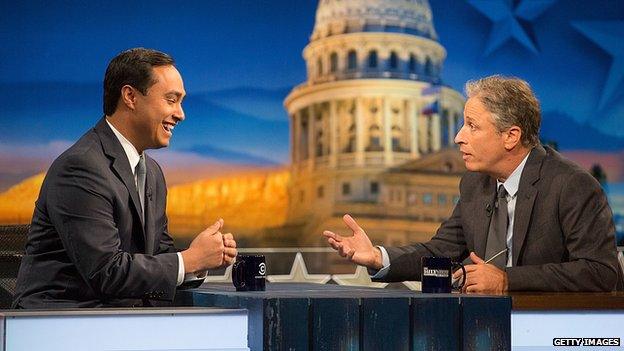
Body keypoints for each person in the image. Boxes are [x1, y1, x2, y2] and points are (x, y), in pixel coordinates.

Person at [323, 75, 621, 293]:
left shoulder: (571, 186)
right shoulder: (474, 184)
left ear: (511, 136)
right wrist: (377, 256)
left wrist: (506, 280)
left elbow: (601, 272)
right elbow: (441, 251)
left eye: (472, 126)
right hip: (484, 327)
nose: (458, 137)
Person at [12, 48, 237, 308]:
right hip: (64, 324)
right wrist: (190, 259)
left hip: (121, 322)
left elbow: (158, 256)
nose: (180, 114)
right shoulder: (81, 167)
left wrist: (202, 259)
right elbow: (106, 271)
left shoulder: (152, 172)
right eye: (171, 100)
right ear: (130, 96)